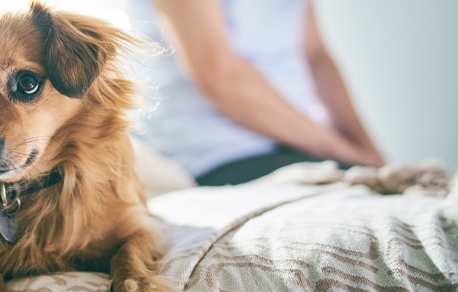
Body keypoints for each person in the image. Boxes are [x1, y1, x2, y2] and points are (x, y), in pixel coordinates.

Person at [128, 0, 385, 186]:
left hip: (297, 145)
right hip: (214, 156)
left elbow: (315, 55)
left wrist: (370, 153)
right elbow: (217, 73)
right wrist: (342, 152)